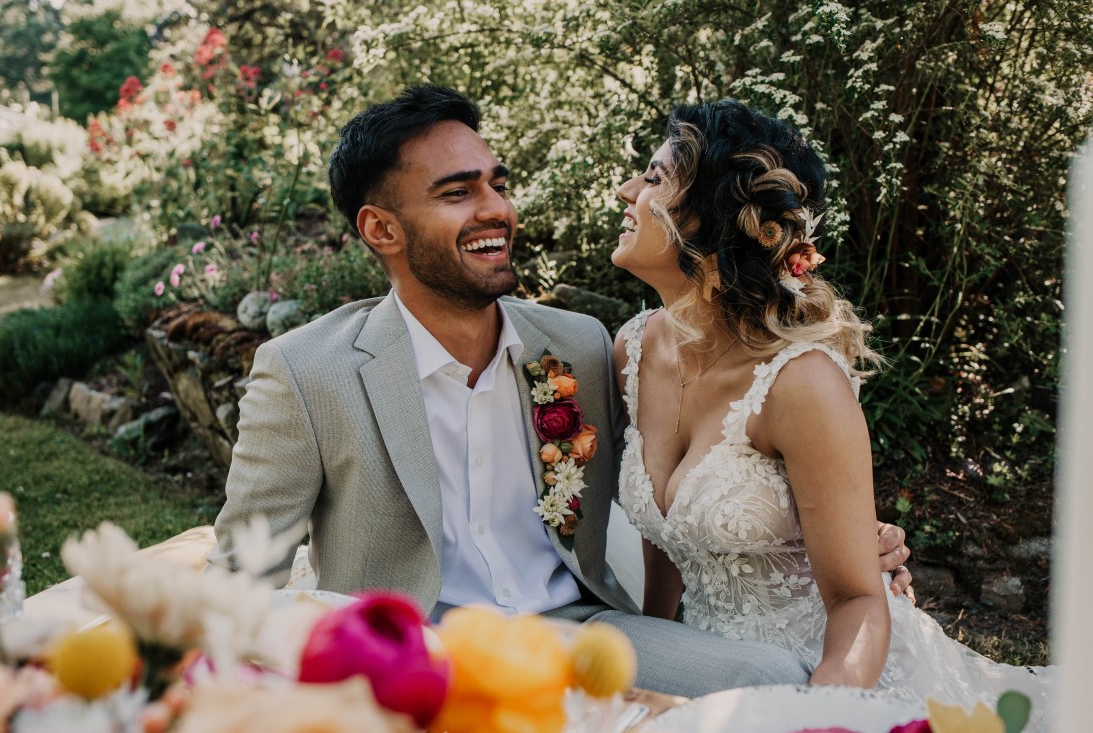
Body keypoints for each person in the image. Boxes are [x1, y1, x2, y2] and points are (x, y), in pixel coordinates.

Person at [207, 84, 913, 697]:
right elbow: (239, 584)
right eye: (458, 192)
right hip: (414, 656)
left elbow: (693, 486)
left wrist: (847, 539)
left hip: (583, 635)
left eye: (496, 184)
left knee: (771, 687)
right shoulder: (306, 372)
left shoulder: (579, 346)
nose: (496, 209)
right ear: (381, 228)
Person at [612, 97, 1054, 725]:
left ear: (712, 220)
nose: (627, 190)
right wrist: (648, 669)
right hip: (709, 677)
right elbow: (665, 544)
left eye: (654, 177)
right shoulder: (631, 350)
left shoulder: (801, 385)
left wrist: (820, 716)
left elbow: (856, 602)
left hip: (833, 674)